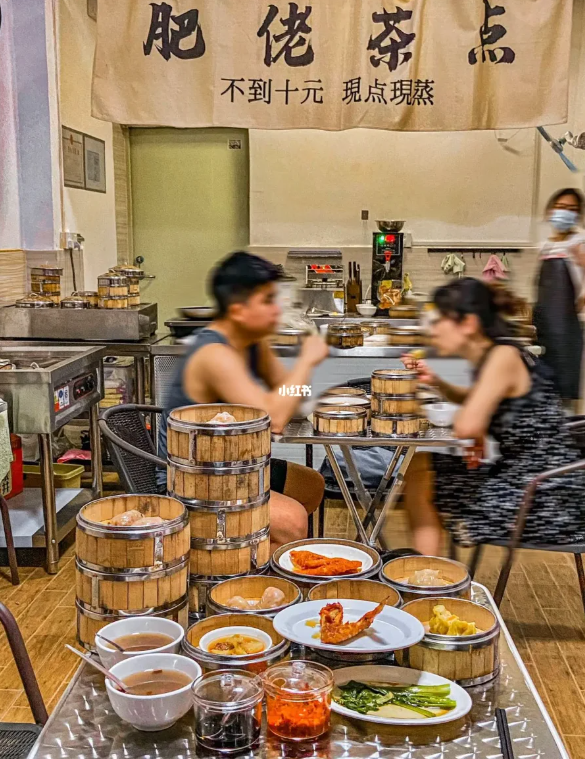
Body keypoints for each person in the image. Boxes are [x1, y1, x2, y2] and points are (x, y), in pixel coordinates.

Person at [158, 251, 328, 552]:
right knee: (292, 520)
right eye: (268, 300)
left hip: (232, 468)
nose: (277, 309)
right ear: (238, 310)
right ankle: (252, 573)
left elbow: (296, 397)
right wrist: (306, 361)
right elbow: (276, 419)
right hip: (192, 480)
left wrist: (291, 386)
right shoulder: (214, 354)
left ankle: (257, 556)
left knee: (311, 485)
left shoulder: (252, 344)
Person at [402, 277, 585, 556]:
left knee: (423, 483)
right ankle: (427, 570)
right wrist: (437, 382)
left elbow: (467, 425)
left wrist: (475, 429)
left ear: (468, 323)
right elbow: (476, 401)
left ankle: (429, 572)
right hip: (531, 478)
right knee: (420, 466)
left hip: (543, 496)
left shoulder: (503, 356)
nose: (432, 330)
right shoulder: (498, 353)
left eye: (438, 321)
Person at [533, 188, 585, 405]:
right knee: (546, 392)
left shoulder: (581, 242)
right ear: (551, 211)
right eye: (562, 207)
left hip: (568, 332)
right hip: (545, 330)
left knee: (564, 396)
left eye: (572, 209)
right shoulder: (545, 246)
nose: (566, 213)